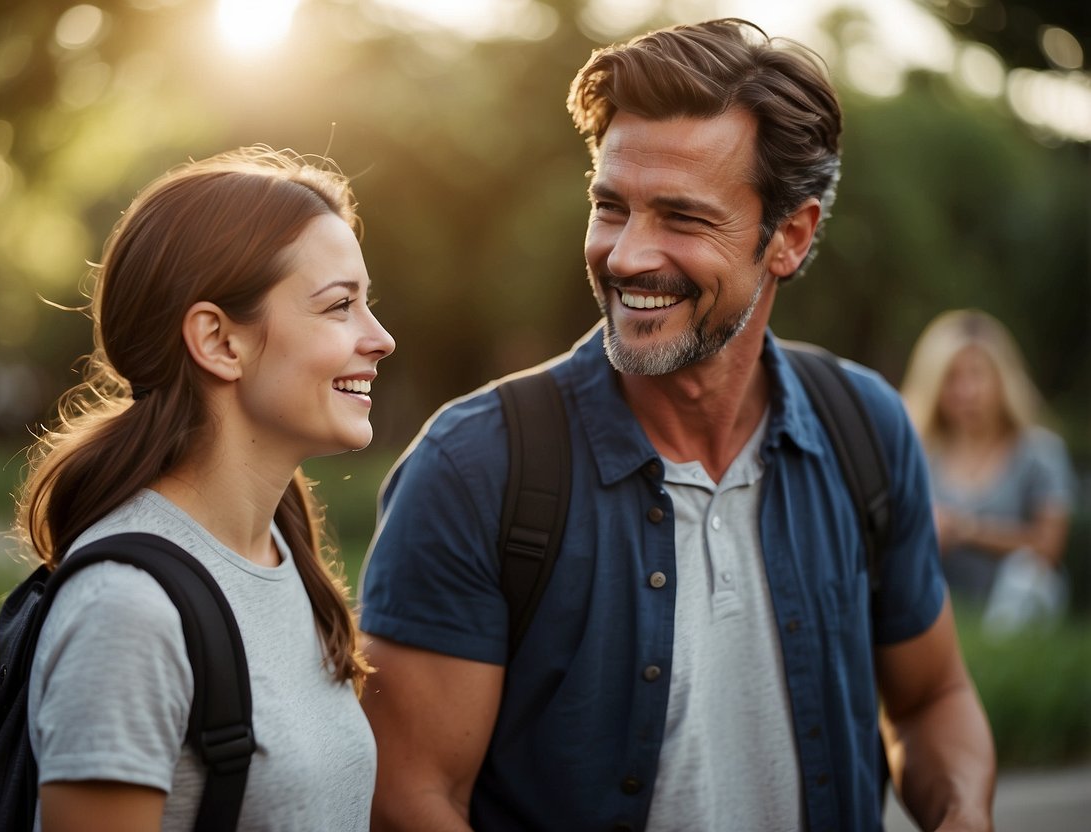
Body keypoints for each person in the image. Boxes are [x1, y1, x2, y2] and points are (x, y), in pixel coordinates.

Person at [358, 19, 995, 832]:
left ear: (788, 239)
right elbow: (410, 797)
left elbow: (932, 696)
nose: (626, 256)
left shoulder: (864, 427)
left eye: (682, 219)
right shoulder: (473, 468)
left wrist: (962, 813)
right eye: (610, 207)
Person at [16, 146, 394, 830]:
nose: (381, 339)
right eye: (340, 307)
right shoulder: (126, 614)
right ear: (218, 341)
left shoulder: (281, 548)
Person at [901, 308, 1077, 634]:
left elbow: (1049, 548)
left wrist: (964, 530)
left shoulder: (1040, 452)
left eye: (976, 375)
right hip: (944, 597)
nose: (966, 392)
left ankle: (1001, 653)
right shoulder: (918, 453)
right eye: (952, 378)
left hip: (1018, 601)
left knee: (1029, 575)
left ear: (1002, 378)